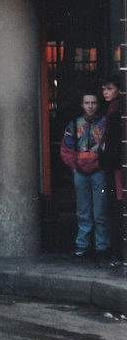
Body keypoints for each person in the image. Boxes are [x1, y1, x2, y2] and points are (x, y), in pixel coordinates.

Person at [60, 92, 110, 261]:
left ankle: (102, 246)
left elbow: (110, 147)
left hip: (99, 173)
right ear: (82, 105)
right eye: (87, 103)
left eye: (93, 103)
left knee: (100, 211)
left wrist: (103, 166)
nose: (90, 106)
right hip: (80, 174)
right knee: (83, 211)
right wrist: (74, 167)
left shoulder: (104, 124)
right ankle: (82, 245)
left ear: (97, 104)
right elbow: (66, 149)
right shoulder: (74, 125)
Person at [98, 76, 123, 265]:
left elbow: (113, 145)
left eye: (109, 88)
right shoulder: (112, 110)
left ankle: (117, 253)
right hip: (114, 168)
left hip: (115, 171)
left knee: (115, 210)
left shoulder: (115, 112)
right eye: (104, 89)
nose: (106, 92)